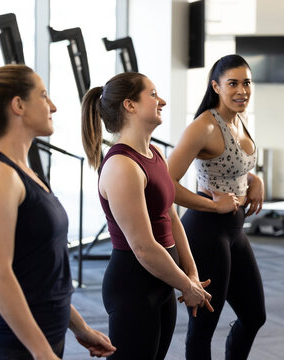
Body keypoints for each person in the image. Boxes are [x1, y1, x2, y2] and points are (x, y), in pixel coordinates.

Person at [0, 64, 116, 360]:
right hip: (15, 344)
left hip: (46, 333)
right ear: (18, 105)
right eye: (43, 95)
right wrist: (42, 354)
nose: (52, 105)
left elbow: (45, 271)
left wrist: (80, 328)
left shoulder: (24, 171)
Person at [81, 72, 213, 360]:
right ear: (130, 105)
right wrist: (185, 284)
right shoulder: (121, 165)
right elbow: (142, 246)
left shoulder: (154, 154)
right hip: (134, 285)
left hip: (163, 279)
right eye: (153, 95)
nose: (161, 100)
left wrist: (190, 273)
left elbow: (171, 217)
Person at [167, 54, 266, 360]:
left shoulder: (239, 118)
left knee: (254, 316)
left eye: (246, 83)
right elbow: (165, 185)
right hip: (206, 231)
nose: (242, 90)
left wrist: (254, 179)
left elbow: (230, 166)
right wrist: (213, 205)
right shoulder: (205, 126)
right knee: (203, 328)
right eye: (233, 83)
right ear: (216, 86)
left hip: (234, 230)